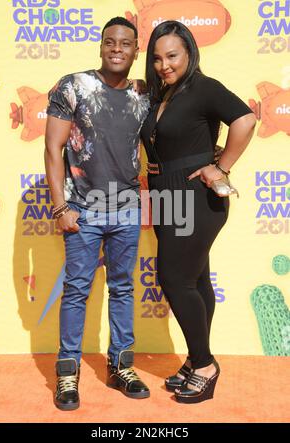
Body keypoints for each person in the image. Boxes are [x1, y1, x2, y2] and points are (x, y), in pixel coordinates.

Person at [141, 21, 256, 403]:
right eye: (157, 58)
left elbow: (246, 118)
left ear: (189, 52)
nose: (164, 65)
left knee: (174, 279)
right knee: (196, 278)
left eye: (172, 55)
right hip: (166, 195)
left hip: (195, 197)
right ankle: (195, 358)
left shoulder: (204, 87)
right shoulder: (163, 95)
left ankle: (205, 365)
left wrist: (221, 166)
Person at [45, 16, 150, 411]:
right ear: (101, 46)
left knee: (123, 289)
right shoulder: (73, 85)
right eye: (110, 42)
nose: (117, 49)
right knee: (76, 291)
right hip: (81, 211)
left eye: (125, 43)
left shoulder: (144, 94)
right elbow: (52, 148)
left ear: (136, 50)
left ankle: (121, 366)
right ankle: (67, 374)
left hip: (126, 210)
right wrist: (60, 207)